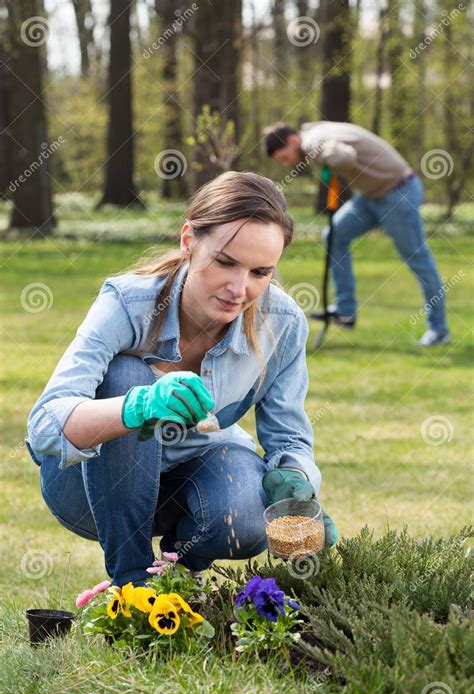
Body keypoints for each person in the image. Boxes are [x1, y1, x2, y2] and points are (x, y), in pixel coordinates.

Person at [26, 171, 337, 588]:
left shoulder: (280, 324)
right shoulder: (128, 302)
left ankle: (178, 577)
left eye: (260, 272)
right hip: (86, 487)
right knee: (126, 374)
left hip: (189, 477)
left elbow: (289, 439)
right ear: (188, 240)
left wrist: (295, 482)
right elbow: (43, 426)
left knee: (245, 515)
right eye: (225, 262)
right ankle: (132, 585)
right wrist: (139, 407)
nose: (238, 289)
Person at [264, 122, 450, 346]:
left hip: (398, 192)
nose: (287, 165)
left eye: (285, 158)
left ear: (293, 142)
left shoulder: (312, 142)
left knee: (418, 259)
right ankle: (345, 310)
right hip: (371, 196)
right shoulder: (314, 133)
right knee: (334, 235)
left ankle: (439, 330)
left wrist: (328, 164)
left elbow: (345, 156)